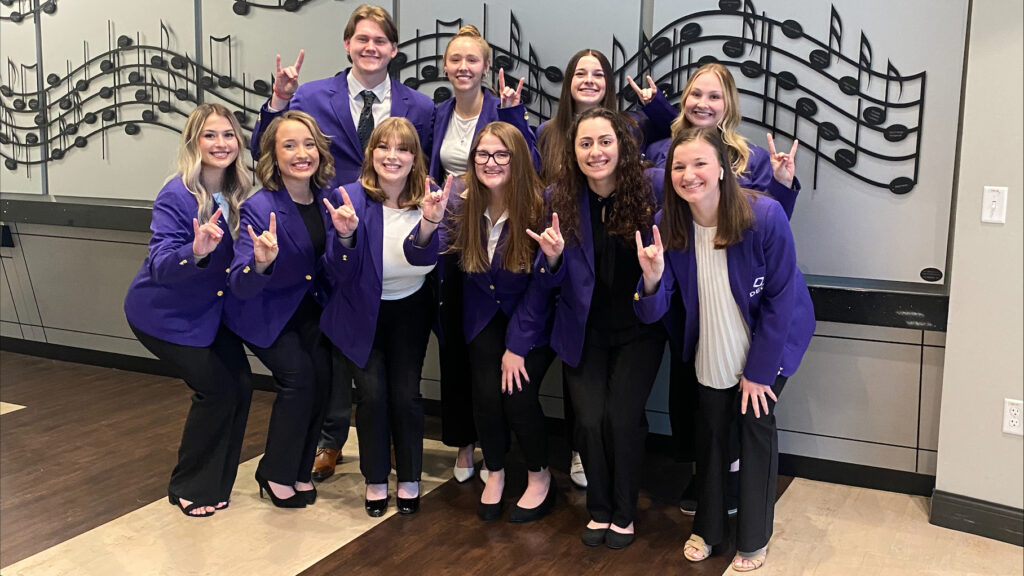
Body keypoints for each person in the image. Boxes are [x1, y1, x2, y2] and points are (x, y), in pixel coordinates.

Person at [251, 4, 435, 481]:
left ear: (394, 49)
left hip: (394, 237)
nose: (370, 47)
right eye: (362, 39)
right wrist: (278, 100)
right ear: (348, 44)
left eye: (380, 40)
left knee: (391, 364)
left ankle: (389, 443)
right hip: (335, 231)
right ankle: (331, 439)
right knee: (333, 339)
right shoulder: (311, 95)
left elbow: (425, 168)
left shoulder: (419, 106)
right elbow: (265, 148)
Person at [635, 127, 814, 571]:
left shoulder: (764, 215)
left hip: (769, 339)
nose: (688, 174)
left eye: (700, 163)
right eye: (679, 166)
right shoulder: (667, 222)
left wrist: (758, 372)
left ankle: (753, 538)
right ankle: (709, 529)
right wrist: (652, 279)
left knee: (754, 430)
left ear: (721, 168)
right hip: (712, 340)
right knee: (711, 434)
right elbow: (655, 309)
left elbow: (780, 298)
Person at [638, 61, 800, 515]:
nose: (704, 103)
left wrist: (783, 185)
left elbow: (772, 230)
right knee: (694, 397)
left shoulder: (753, 158)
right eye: (696, 94)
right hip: (687, 295)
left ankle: (732, 488)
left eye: (714, 96)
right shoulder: (660, 150)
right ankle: (704, 478)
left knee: (738, 403)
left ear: (729, 104)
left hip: (739, 301)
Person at [525, 107, 665, 549]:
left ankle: (624, 512)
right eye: (585, 143)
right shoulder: (558, 197)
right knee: (587, 421)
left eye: (605, 141)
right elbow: (547, 277)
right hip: (583, 330)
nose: (595, 151)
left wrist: (653, 278)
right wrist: (550, 260)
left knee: (621, 420)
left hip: (638, 328)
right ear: (573, 151)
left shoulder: (651, 190)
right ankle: (599, 509)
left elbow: (672, 264)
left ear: (621, 146)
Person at [124, 103, 252, 517]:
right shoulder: (176, 193)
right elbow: (161, 265)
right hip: (163, 314)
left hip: (209, 312)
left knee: (241, 386)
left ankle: (216, 483)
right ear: (194, 142)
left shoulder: (239, 192)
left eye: (228, 135)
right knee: (216, 390)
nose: (221, 143)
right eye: (210, 135)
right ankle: (189, 486)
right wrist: (194, 251)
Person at [319, 117, 450, 517]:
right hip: (361, 310)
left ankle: (409, 475)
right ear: (371, 153)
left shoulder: (430, 195)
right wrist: (345, 236)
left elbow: (426, 260)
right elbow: (337, 272)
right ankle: (375, 477)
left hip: (410, 308)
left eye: (403, 149)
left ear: (415, 158)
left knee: (406, 394)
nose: (393, 156)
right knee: (373, 395)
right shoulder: (349, 197)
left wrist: (430, 223)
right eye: (384, 147)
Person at [430, 24, 540, 483]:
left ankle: (515, 459)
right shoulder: (437, 112)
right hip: (459, 231)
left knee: (506, 376)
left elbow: (528, 162)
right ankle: (469, 445)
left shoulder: (502, 111)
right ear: (445, 66)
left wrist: (514, 114)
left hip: (503, 242)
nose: (463, 67)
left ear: (486, 67)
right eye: (455, 59)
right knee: (462, 353)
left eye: (472, 59)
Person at [224, 110, 342, 509]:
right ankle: (275, 471)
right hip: (265, 314)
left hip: (311, 312)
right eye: (289, 145)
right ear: (273, 156)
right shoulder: (260, 207)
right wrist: (261, 263)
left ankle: (298, 468)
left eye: (308, 144)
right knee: (299, 380)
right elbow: (240, 282)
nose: (301, 153)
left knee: (322, 383)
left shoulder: (328, 199)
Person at [443, 122, 557, 522]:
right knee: (486, 395)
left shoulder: (542, 205)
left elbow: (543, 286)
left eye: (501, 154)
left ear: (518, 158)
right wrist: (427, 224)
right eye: (482, 154)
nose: (490, 162)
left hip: (532, 318)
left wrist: (517, 347)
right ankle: (495, 470)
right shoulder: (461, 204)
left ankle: (539, 474)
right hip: (482, 316)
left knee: (517, 395)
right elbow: (427, 256)